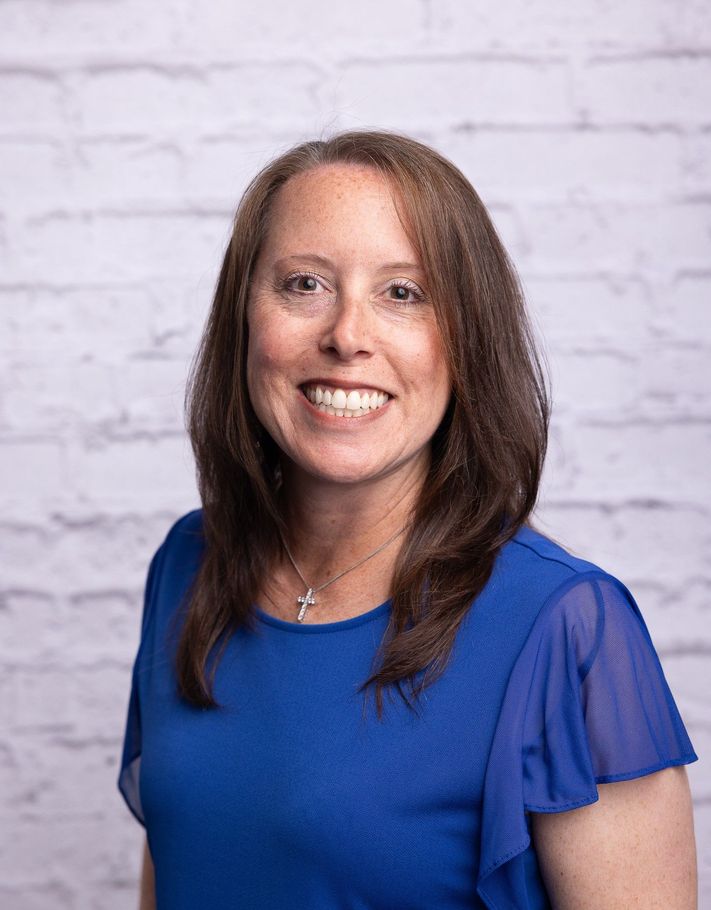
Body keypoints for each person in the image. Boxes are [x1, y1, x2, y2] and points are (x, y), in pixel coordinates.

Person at [117, 129, 699, 909]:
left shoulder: (564, 627)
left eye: (403, 293)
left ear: (465, 339)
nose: (347, 336)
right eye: (303, 285)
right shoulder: (189, 560)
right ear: (242, 316)